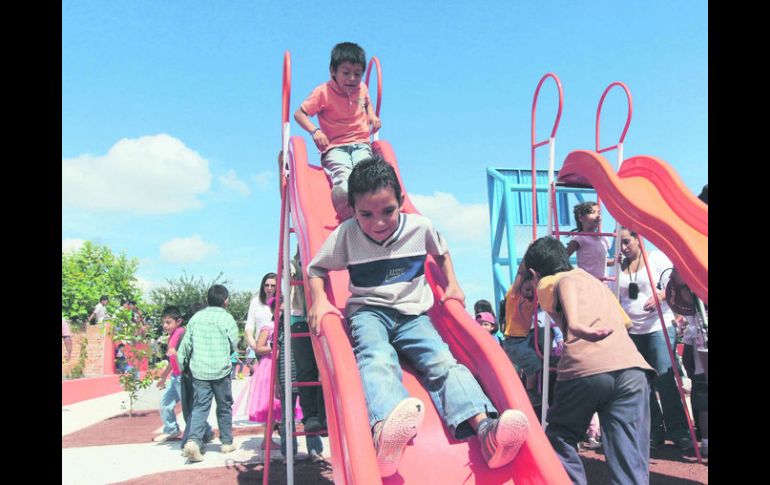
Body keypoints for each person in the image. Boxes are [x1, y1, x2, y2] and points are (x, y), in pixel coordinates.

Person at [306, 156, 529, 477]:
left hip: (412, 314)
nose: (378, 222)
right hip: (369, 312)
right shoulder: (347, 235)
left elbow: (441, 250)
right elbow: (316, 267)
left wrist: (453, 285)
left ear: (400, 202)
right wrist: (318, 301)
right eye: (365, 214)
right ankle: (384, 429)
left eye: (387, 211)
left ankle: (485, 430)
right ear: (352, 210)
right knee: (375, 357)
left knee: (442, 362)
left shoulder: (418, 227)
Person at [523, 236, 655, 484]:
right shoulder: (596, 284)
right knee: (628, 452)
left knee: (560, 435)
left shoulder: (548, 282)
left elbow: (565, 284)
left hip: (585, 369)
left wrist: (573, 321)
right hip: (631, 369)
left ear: (534, 272)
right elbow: (625, 322)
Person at [617, 227, 692, 450]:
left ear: (638, 239)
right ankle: (654, 431)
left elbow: (674, 285)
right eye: (619, 243)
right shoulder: (616, 265)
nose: (623, 248)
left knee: (665, 379)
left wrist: (659, 297)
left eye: (627, 242)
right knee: (641, 384)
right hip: (632, 330)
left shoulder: (657, 258)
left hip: (658, 326)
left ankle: (679, 431)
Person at [294, 42, 382, 220]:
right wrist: (315, 131)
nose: (352, 78)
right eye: (346, 72)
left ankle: (367, 210)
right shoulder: (323, 92)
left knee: (365, 174)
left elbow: (366, 102)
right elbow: (299, 114)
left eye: (357, 74)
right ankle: (345, 208)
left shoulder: (362, 89)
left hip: (361, 144)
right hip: (335, 147)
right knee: (344, 175)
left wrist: (371, 115)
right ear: (333, 71)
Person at [177, 285, 239, 462]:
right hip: (221, 369)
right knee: (224, 405)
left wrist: (181, 366)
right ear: (225, 300)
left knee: (200, 407)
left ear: (207, 299)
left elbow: (186, 345)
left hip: (199, 370)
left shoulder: (196, 318)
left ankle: (194, 441)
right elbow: (234, 342)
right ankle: (226, 442)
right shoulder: (227, 318)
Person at [501, 263, 563, 407]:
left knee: (542, 331)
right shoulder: (514, 295)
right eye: (527, 289)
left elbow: (540, 286)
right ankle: (530, 391)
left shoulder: (534, 299)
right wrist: (528, 257)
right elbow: (520, 274)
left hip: (526, 336)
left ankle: (550, 357)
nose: (530, 293)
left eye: (532, 291)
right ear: (520, 287)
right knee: (533, 363)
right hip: (513, 341)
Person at [245, 273, 282, 425]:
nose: (269, 288)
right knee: (267, 387)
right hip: (263, 349)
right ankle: (269, 421)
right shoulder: (256, 302)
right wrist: (252, 343)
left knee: (278, 385)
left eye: (273, 285)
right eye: (267, 285)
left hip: (279, 346)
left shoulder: (282, 301)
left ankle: (276, 421)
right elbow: (249, 325)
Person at [178, 303, 214, 451]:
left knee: (193, 408)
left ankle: (196, 436)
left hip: (191, 374)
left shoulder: (188, 332)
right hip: (193, 374)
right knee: (193, 409)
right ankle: (197, 436)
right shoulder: (191, 332)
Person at [153, 306, 186, 443]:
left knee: (189, 407)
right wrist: (163, 376)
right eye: (163, 322)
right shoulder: (170, 337)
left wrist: (177, 354)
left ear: (178, 321)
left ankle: (204, 431)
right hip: (175, 377)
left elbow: (187, 354)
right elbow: (171, 360)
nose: (165, 326)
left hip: (183, 377)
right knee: (165, 404)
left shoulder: (182, 333)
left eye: (168, 322)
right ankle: (172, 429)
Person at [564, 201, 614, 281]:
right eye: (592, 212)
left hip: (602, 283)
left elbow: (602, 262)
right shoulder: (580, 238)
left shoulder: (604, 239)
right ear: (581, 218)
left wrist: (615, 261)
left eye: (599, 213)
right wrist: (574, 272)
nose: (598, 215)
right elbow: (564, 256)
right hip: (586, 283)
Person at [681, 314, 708, 458]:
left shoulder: (693, 324)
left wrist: (690, 369)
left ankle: (706, 443)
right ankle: (706, 442)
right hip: (701, 372)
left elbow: (686, 356)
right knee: (704, 408)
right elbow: (686, 354)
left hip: (700, 371)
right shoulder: (694, 325)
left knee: (704, 408)